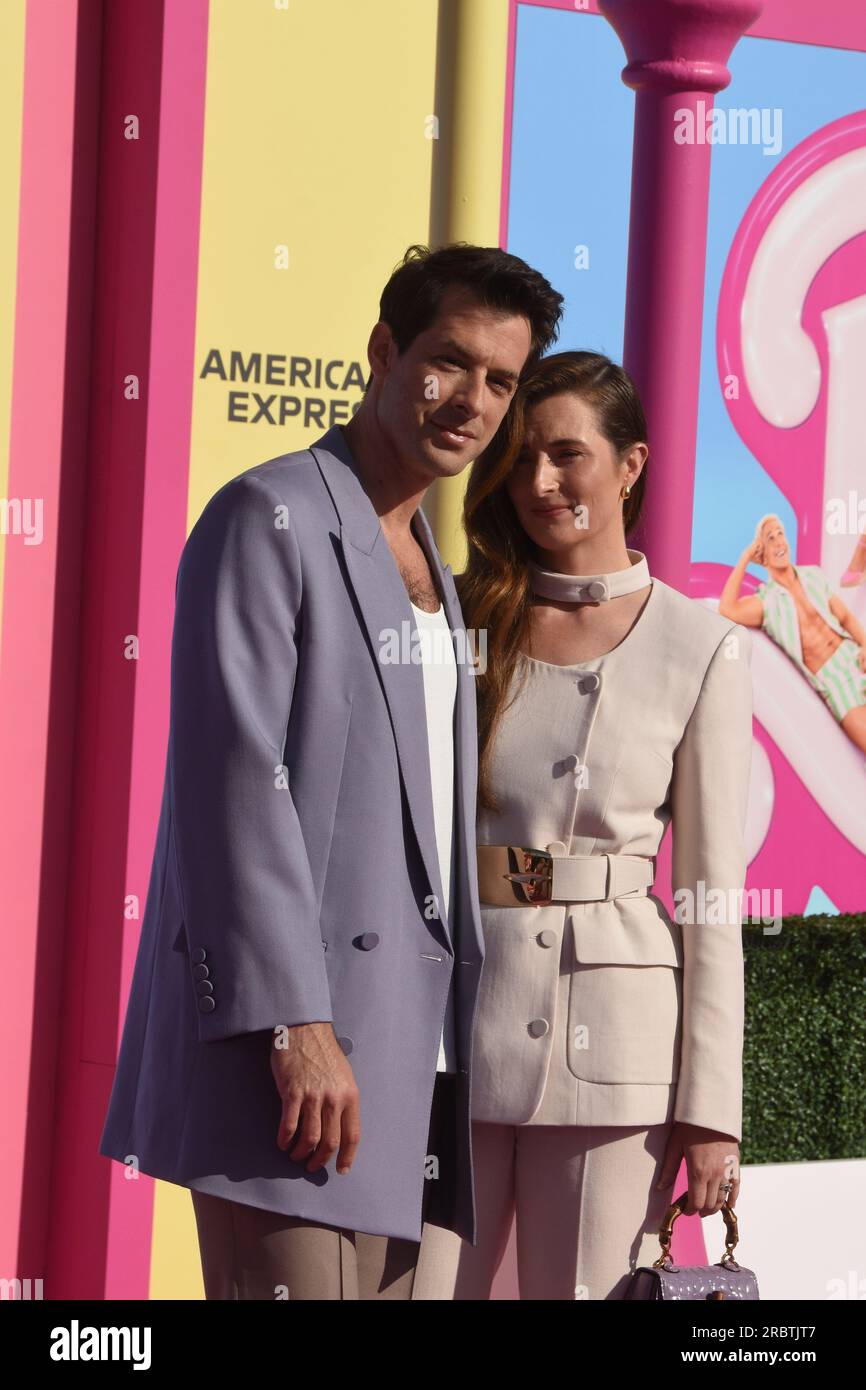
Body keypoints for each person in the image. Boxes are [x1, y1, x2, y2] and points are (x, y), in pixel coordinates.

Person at [98, 243, 564, 1299]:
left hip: (415, 1064)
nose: (474, 401)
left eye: (502, 380)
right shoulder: (266, 518)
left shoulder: (437, 579)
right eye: (450, 363)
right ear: (384, 351)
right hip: (295, 1056)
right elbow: (233, 783)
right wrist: (294, 1023)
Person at [413, 351, 753, 1300]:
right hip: (454, 1030)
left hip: (619, 1054)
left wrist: (710, 1110)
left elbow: (710, 899)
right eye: (521, 458)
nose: (539, 482)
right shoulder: (462, 619)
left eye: (567, 455)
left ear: (631, 464)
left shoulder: (703, 645)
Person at [719, 514, 866, 753]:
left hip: (854, 657)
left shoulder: (813, 575)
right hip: (833, 682)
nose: (778, 541)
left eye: (781, 534)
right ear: (762, 555)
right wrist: (745, 557)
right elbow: (727, 609)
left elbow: (846, 618)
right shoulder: (766, 602)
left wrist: (864, 645)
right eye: (770, 538)